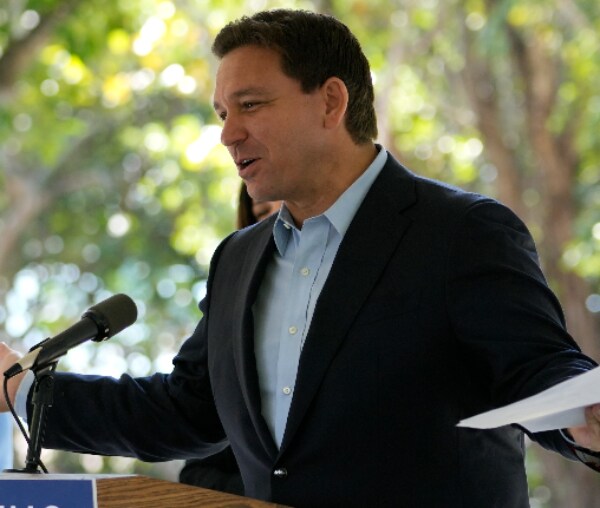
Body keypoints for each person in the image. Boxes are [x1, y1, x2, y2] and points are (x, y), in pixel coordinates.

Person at [1, 9, 600, 507]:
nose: (227, 134)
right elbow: (184, 412)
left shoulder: (462, 232)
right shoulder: (237, 260)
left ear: (331, 102)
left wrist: (584, 413)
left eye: (251, 105)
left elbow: (538, 370)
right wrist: (21, 391)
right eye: (222, 114)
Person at [178, 183, 280, 494]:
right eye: (263, 213)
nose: (281, 222)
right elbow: (196, 472)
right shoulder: (241, 317)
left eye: (289, 208)